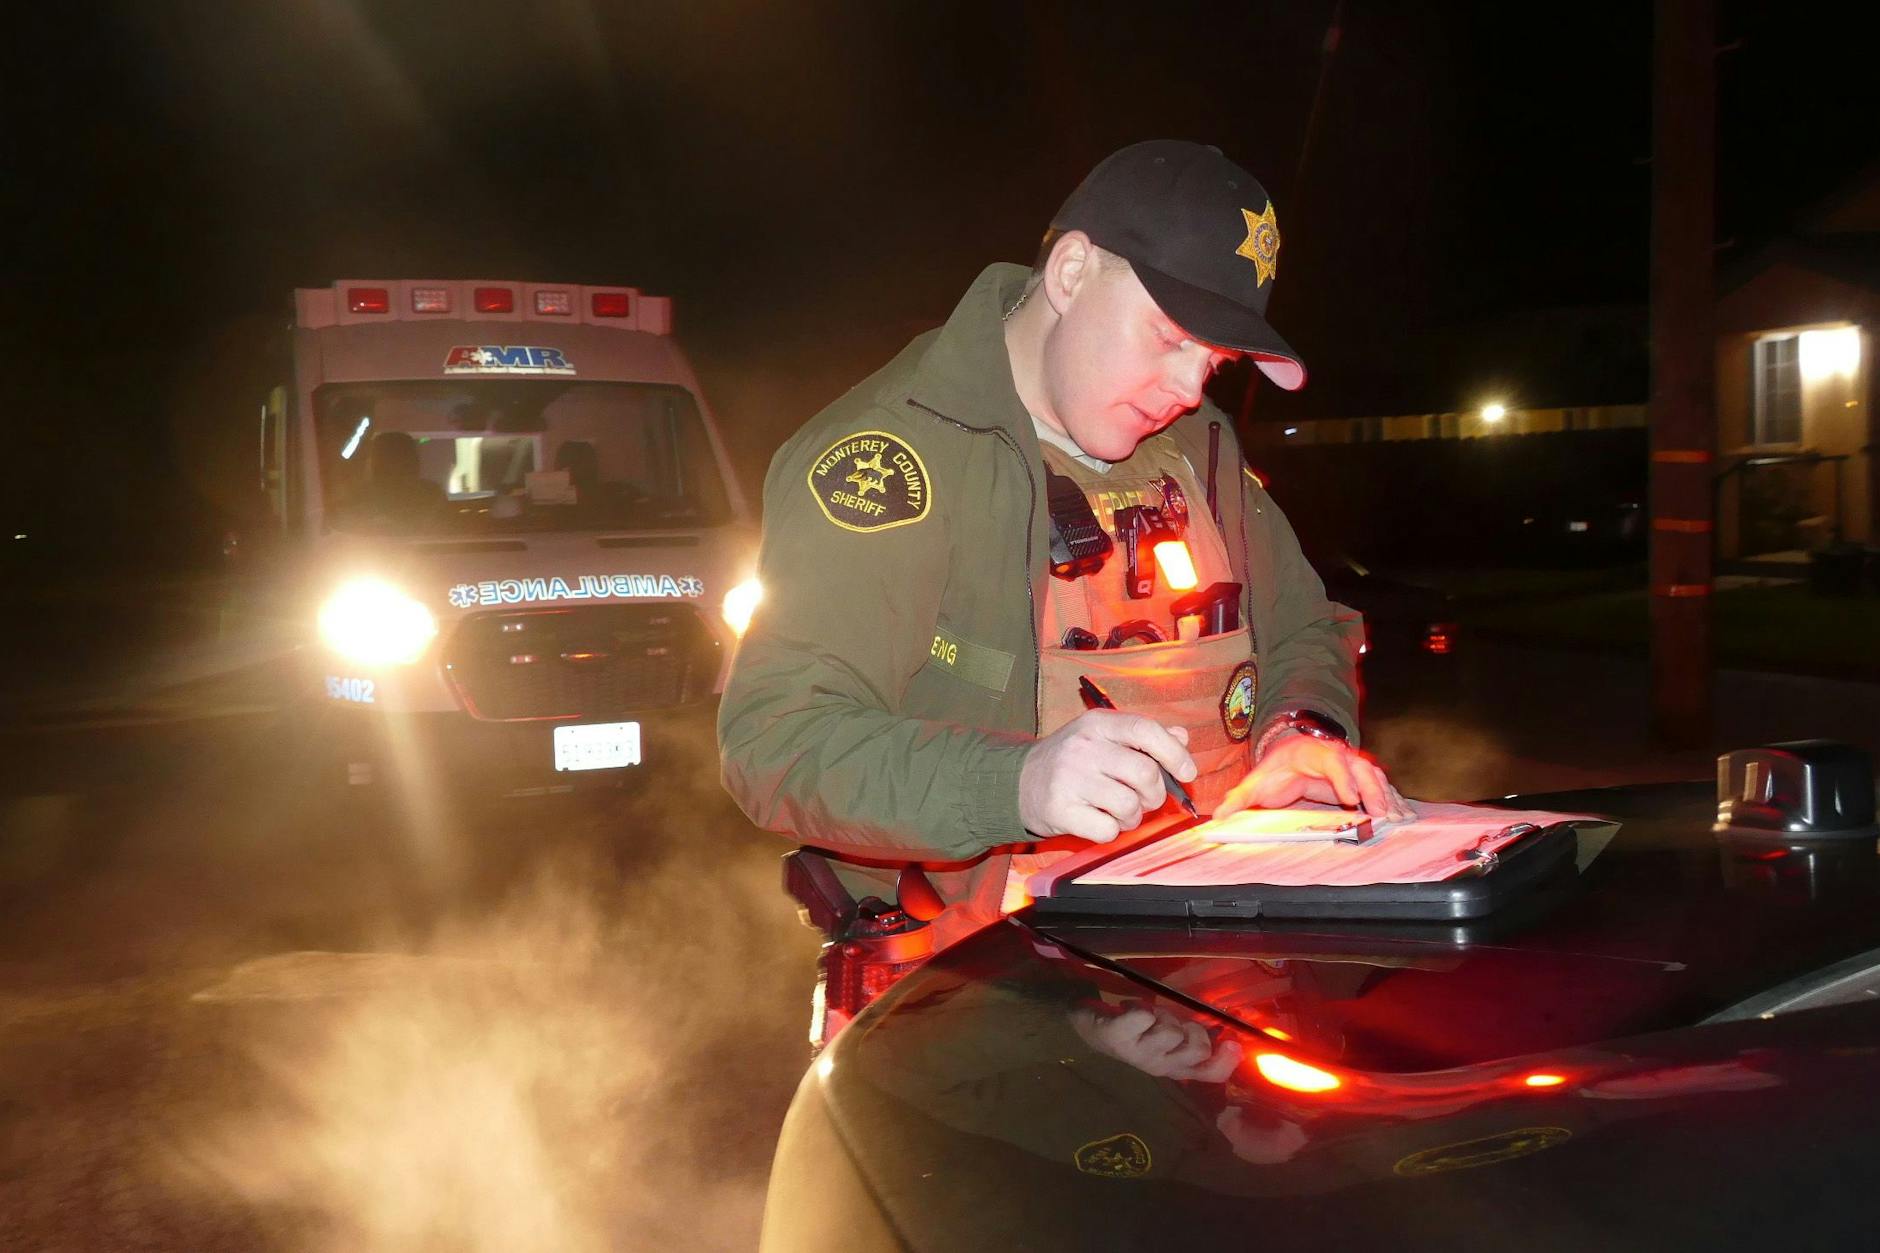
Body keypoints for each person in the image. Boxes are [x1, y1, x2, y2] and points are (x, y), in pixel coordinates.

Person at [719, 140, 1408, 949]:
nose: (1189, 389)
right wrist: (1017, 782)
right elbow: (777, 740)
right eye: (1169, 336)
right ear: (1073, 272)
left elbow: (1305, 626)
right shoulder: (891, 463)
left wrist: (1296, 730)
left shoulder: (1198, 446)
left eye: (1215, 363)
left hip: (1206, 955)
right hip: (975, 974)